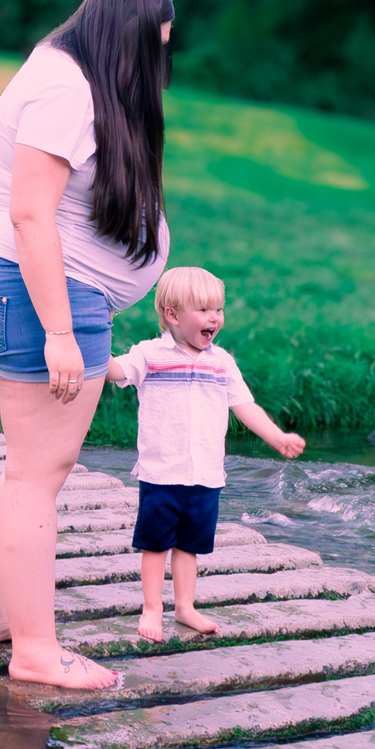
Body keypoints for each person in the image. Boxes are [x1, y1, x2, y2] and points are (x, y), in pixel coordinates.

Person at [0, 0, 174, 689]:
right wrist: (57, 331)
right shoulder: (66, 90)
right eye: (155, 49)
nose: (158, 69)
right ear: (127, 39)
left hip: (36, 293)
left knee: (24, 473)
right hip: (39, 296)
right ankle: (35, 651)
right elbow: (30, 214)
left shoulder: (62, 74)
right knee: (35, 481)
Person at [106, 266, 306, 642]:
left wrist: (277, 438)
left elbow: (244, 405)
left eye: (219, 309)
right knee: (155, 544)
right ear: (172, 314)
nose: (214, 318)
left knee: (189, 546)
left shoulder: (221, 361)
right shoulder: (151, 354)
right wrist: (92, 343)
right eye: (204, 309)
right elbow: (115, 370)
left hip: (206, 475)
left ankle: (185, 607)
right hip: (162, 472)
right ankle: (152, 608)